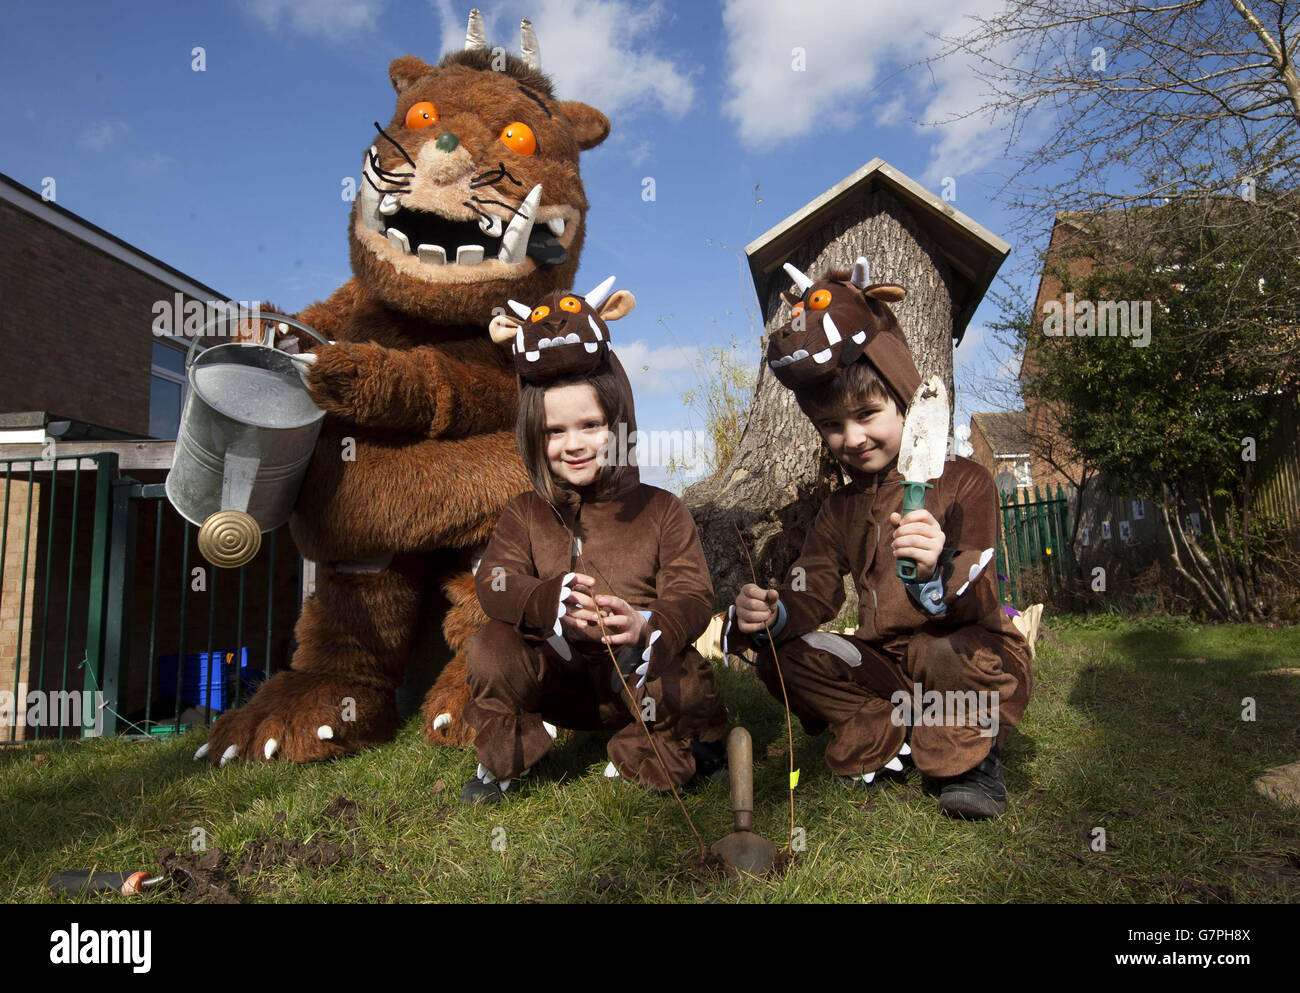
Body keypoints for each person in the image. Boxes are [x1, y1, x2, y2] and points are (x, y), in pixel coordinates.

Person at [722, 258, 1033, 819]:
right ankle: (887, 735)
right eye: (833, 426)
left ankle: (969, 762)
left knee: (936, 648)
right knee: (794, 655)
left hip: (967, 651)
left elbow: (984, 593)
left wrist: (940, 567)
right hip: (884, 666)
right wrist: (773, 615)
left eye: (868, 413)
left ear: (906, 397)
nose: (853, 438)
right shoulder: (840, 508)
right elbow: (813, 588)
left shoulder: (963, 480)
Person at [460, 280, 728, 804]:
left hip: (632, 679)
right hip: (558, 680)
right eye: (555, 432)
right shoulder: (525, 511)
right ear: (533, 435)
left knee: (685, 676)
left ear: (619, 423)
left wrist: (647, 626)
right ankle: (505, 759)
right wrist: (544, 600)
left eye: (590, 425)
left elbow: (694, 596)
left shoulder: (662, 509)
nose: (574, 444)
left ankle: (658, 746)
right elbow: (494, 583)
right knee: (489, 645)